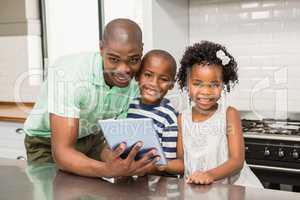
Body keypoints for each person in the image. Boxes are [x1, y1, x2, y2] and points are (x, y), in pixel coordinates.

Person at [23, 18, 159, 178]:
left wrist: (127, 164)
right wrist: (108, 170)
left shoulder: (136, 82)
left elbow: (120, 138)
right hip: (46, 141)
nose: (124, 70)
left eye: (133, 59)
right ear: (101, 49)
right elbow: (63, 154)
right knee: (57, 190)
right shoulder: (70, 75)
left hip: (92, 135)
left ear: (141, 50)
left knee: (93, 191)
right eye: (114, 59)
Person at [170, 41, 263, 187]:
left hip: (234, 190)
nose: (206, 92)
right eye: (197, 83)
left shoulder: (229, 114)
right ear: (186, 83)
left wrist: (209, 175)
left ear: (223, 84)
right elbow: (183, 162)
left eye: (214, 84)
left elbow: (236, 161)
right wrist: (159, 164)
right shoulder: (182, 118)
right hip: (200, 191)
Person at [126, 50, 184, 175]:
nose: (154, 84)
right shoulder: (128, 106)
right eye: (148, 75)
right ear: (137, 76)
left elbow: (169, 164)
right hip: (130, 180)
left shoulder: (168, 118)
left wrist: (141, 167)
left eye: (163, 79)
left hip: (159, 186)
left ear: (171, 85)